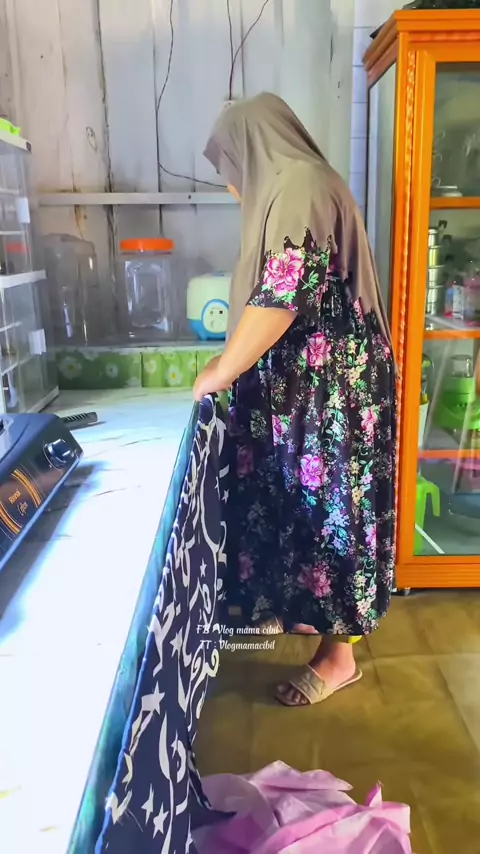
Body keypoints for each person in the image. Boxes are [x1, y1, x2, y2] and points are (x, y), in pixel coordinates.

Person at [194, 94, 396, 707]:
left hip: (334, 397)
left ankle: (340, 659)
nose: (232, 186)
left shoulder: (301, 184)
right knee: (303, 511)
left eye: (230, 167)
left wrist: (223, 370)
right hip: (309, 394)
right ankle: (309, 620)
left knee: (334, 517)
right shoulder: (291, 188)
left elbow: (286, 291)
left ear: (252, 149)